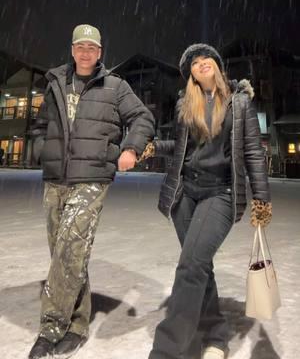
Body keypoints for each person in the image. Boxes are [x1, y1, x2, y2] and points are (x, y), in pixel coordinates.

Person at [29, 24, 155, 359]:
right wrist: (42, 148)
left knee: (70, 249)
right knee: (66, 254)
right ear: (72, 49)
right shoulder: (56, 81)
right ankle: (78, 323)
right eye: (80, 46)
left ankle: (51, 328)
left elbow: (142, 118)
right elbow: (41, 124)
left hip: (92, 178)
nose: (85, 52)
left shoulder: (115, 86)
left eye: (92, 48)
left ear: (100, 53)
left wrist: (131, 148)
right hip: (56, 178)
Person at [141, 43, 272, 359]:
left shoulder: (239, 104)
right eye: (195, 63)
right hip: (185, 194)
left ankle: (167, 350)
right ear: (192, 76)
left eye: (207, 59)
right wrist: (154, 147)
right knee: (199, 265)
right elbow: (183, 146)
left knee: (191, 264)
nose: (202, 64)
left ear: (217, 65)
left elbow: (253, 151)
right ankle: (215, 335)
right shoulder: (187, 105)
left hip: (221, 194)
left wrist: (262, 199)